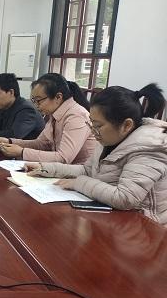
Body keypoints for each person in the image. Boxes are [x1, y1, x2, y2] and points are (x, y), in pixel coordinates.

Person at [26, 84, 167, 225]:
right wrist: (47, 169)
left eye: (98, 126)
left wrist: (78, 183)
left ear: (127, 125)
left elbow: (125, 198)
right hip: (114, 218)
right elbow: (87, 170)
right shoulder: (110, 138)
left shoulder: (149, 149)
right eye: (92, 124)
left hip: (147, 226)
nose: (93, 131)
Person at [0, 73, 96, 164]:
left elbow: (63, 158)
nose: (36, 106)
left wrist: (22, 152)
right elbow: (41, 143)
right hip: (59, 169)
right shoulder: (54, 114)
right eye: (34, 101)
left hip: (78, 172)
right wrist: (9, 142)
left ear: (58, 97)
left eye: (39, 101)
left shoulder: (76, 116)